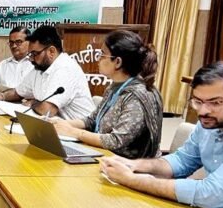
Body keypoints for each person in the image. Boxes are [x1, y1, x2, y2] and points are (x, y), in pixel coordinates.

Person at [101, 61, 223, 208]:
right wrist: (134, 165)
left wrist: (131, 179)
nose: (203, 111)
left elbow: (211, 195)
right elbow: (182, 161)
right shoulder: (210, 122)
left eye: (216, 102)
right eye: (198, 101)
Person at [52, 30, 163, 158]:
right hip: (107, 156)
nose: (98, 59)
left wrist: (73, 132)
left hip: (130, 164)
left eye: (102, 55)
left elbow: (115, 141)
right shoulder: (113, 87)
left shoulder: (137, 96)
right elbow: (92, 121)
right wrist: (61, 124)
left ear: (118, 62)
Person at [0, 25, 95, 120]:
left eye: (35, 54)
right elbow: (18, 92)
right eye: (30, 54)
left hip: (79, 132)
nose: (31, 59)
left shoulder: (65, 68)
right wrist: (0, 96)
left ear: (51, 51)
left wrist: (33, 103)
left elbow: (48, 110)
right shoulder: (40, 68)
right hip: (56, 127)